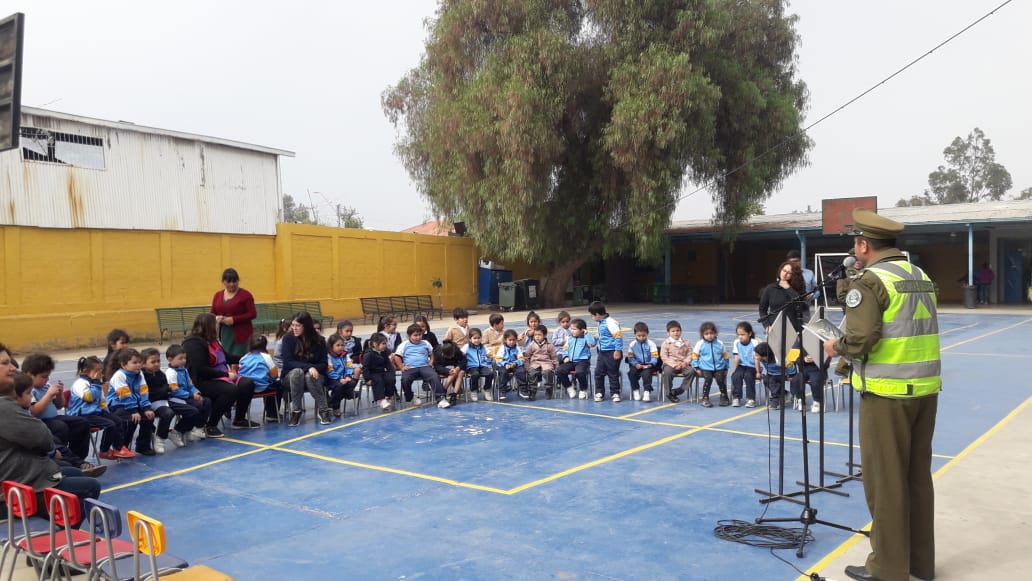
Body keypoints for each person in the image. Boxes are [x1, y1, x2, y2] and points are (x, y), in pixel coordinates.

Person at [823, 208, 941, 581]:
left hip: (887, 394)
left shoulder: (870, 282)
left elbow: (860, 339)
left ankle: (888, 568)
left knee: (886, 482)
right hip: (924, 389)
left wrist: (835, 349)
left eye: (856, 243)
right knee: (916, 479)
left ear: (863, 245)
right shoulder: (918, 275)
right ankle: (920, 564)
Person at [0, 350, 102, 510]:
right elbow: (43, 438)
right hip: (20, 485)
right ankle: (67, 531)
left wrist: (58, 394)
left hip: (27, 473)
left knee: (76, 433)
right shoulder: (5, 405)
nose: (13, 368)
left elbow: (59, 407)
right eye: (5, 363)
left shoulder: (9, 401)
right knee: (90, 486)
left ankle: (78, 462)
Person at [183, 313, 258, 437]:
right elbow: (201, 370)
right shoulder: (193, 344)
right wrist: (226, 374)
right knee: (230, 390)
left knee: (248, 383)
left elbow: (227, 357)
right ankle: (211, 425)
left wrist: (249, 357)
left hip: (221, 376)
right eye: (217, 325)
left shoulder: (213, 341)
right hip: (203, 381)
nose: (219, 328)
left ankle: (239, 419)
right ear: (209, 327)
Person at [23, 353, 93, 465]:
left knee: (82, 423)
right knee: (60, 427)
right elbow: (34, 411)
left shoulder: (46, 386)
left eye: (48, 376)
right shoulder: (28, 389)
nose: (47, 379)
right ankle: (66, 461)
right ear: (30, 375)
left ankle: (78, 457)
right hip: (41, 421)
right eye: (43, 377)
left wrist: (59, 394)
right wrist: (48, 395)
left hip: (55, 418)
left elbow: (59, 405)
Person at [68, 356, 134, 459]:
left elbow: (102, 400)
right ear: (86, 371)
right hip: (83, 415)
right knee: (110, 425)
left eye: (101, 371)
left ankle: (118, 447)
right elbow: (89, 397)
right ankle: (104, 450)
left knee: (117, 420)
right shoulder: (80, 383)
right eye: (97, 371)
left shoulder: (96, 384)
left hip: (95, 412)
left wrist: (107, 412)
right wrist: (95, 383)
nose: (100, 374)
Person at [141, 348, 198, 453]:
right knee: (168, 413)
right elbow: (151, 394)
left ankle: (176, 431)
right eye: (153, 362)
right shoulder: (142, 377)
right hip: (152, 403)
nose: (156, 364)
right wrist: (163, 391)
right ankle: (160, 438)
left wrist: (164, 391)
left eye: (158, 361)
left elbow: (167, 389)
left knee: (192, 410)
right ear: (143, 364)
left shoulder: (161, 374)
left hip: (166, 400)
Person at [282, 311, 333, 426]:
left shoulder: (319, 340)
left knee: (309, 376)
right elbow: (288, 362)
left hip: (314, 377)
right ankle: (296, 411)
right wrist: (309, 367)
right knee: (297, 372)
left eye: (298, 326)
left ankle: (323, 410)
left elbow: (324, 364)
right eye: (293, 325)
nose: (294, 328)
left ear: (306, 326)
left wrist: (312, 369)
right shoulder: (288, 339)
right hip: (291, 377)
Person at [104, 348, 156, 456]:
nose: (138, 365)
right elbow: (125, 395)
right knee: (131, 419)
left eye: (139, 362)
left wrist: (146, 408)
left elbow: (144, 391)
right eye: (134, 363)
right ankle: (121, 446)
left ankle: (142, 446)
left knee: (148, 417)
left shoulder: (140, 374)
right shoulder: (119, 376)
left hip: (133, 404)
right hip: (117, 405)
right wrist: (133, 410)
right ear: (124, 364)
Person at [209, 267, 257, 365]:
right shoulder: (218, 295)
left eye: (234, 281)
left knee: (240, 360)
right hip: (224, 334)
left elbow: (253, 313)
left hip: (242, 334)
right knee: (226, 358)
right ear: (223, 282)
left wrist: (234, 319)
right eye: (229, 281)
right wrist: (217, 318)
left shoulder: (245, 295)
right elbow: (212, 313)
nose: (232, 284)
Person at [164, 345, 211, 442]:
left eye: (184, 358)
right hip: (176, 399)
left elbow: (190, 385)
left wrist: (196, 392)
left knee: (206, 402)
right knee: (195, 408)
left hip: (187, 397)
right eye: (180, 358)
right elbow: (174, 391)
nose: (184, 360)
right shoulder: (170, 373)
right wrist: (190, 395)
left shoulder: (184, 370)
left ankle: (198, 427)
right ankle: (177, 431)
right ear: (170, 359)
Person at [392, 323, 447, 408]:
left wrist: (431, 362)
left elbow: (431, 354)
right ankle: (410, 397)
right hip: (411, 368)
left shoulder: (425, 343)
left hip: (424, 367)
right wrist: (402, 367)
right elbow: (397, 356)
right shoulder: (404, 345)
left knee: (434, 376)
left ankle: (440, 399)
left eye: (420, 335)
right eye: (415, 335)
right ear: (409, 336)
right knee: (405, 379)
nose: (418, 337)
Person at [236, 335, 282, 421]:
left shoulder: (243, 357)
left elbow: (240, 373)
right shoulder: (266, 357)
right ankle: (272, 413)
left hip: (246, 389)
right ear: (265, 345)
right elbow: (274, 375)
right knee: (278, 384)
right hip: (262, 387)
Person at [759, 260, 806, 335]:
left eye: (789, 273)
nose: (785, 274)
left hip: (794, 329)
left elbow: (802, 306)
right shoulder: (770, 288)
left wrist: (788, 288)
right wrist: (767, 326)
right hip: (774, 329)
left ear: (794, 275)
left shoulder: (797, 289)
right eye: (784, 270)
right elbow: (762, 310)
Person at [590, 301, 623, 402]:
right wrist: (595, 337)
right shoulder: (602, 323)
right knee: (598, 372)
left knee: (612, 373)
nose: (592, 317)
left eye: (592, 315)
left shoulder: (610, 322)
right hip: (602, 352)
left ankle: (615, 393)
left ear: (597, 315)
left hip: (611, 352)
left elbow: (617, 336)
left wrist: (617, 350)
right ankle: (599, 392)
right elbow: (605, 335)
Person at [692, 321, 730, 408]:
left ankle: (724, 396)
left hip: (719, 367)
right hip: (705, 367)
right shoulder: (700, 343)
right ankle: (705, 397)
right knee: (708, 379)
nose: (709, 335)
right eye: (706, 333)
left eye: (711, 333)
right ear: (702, 334)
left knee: (720, 379)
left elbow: (725, 355)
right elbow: (695, 355)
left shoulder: (720, 343)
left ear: (715, 333)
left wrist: (726, 367)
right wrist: (696, 367)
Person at [557, 318, 595, 400]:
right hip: (571, 361)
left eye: (574, 329)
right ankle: (569, 387)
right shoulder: (570, 339)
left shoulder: (586, 338)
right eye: (571, 329)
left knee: (580, 372)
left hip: (582, 361)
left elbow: (592, 344)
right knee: (560, 370)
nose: (572, 331)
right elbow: (565, 349)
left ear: (582, 330)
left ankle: (583, 389)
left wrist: (587, 333)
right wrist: (565, 357)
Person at [325, 333, 360, 417]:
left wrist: (348, 376)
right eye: (338, 345)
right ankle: (336, 406)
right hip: (332, 378)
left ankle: (332, 401)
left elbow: (349, 366)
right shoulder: (329, 356)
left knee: (351, 383)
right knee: (339, 386)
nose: (341, 347)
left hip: (344, 377)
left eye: (342, 345)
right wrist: (339, 378)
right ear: (331, 346)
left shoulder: (345, 354)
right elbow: (330, 370)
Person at [754, 342, 795, 411]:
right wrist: (758, 372)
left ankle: (776, 400)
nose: (755, 356)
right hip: (772, 373)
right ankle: (783, 393)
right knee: (766, 380)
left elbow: (789, 366)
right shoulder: (760, 358)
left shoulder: (778, 358)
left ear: (765, 356)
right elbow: (756, 361)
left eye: (757, 355)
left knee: (773, 381)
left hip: (784, 373)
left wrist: (790, 375)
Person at [625, 322, 659, 402]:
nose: (641, 338)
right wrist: (636, 364)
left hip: (648, 365)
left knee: (646, 374)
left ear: (647, 334)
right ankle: (636, 390)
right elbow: (630, 357)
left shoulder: (651, 344)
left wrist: (650, 364)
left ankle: (647, 391)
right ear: (635, 334)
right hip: (637, 364)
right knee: (631, 373)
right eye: (639, 336)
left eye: (643, 335)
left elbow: (655, 357)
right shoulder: (632, 344)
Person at [729, 322, 761, 408]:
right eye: (738, 334)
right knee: (736, 375)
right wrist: (734, 370)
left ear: (749, 334)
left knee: (748, 375)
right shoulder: (736, 342)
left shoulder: (754, 343)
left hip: (752, 366)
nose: (740, 336)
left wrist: (758, 372)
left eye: (743, 334)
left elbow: (756, 358)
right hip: (741, 365)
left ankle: (751, 399)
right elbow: (737, 357)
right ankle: (736, 397)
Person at [522, 324, 558, 400]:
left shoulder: (550, 345)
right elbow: (527, 356)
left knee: (548, 372)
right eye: (535, 335)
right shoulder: (531, 345)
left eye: (539, 335)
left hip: (547, 363)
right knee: (531, 372)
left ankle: (549, 390)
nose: (537, 336)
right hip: (535, 363)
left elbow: (554, 357)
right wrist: (527, 366)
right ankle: (532, 391)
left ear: (544, 335)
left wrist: (556, 367)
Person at [363, 333, 396, 412]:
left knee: (390, 379)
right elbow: (365, 368)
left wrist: (391, 371)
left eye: (386, 343)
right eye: (383, 343)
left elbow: (388, 363)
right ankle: (382, 400)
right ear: (375, 344)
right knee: (378, 380)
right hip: (373, 373)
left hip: (382, 372)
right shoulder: (368, 354)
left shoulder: (384, 352)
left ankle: (389, 395)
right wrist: (367, 379)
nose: (385, 345)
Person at [661, 320, 692, 403]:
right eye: (673, 331)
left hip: (683, 364)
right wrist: (674, 365)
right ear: (668, 333)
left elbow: (690, 354)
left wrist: (685, 363)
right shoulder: (666, 343)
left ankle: (679, 390)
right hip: (670, 364)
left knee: (691, 371)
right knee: (667, 372)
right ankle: (669, 393)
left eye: (677, 330)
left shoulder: (686, 342)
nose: (675, 333)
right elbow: (664, 357)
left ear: (681, 331)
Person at [493, 329, 527, 401]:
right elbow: (498, 359)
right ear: (505, 340)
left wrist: (516, 363)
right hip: (503, 365)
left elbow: (521, 358)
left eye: (514, 340)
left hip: (514, 364)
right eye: (510, 340)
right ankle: (502, 391)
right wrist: (505, 364)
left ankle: (523, 390)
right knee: (503, 372)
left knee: (521, 371)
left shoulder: (517, 348)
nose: (512, 342)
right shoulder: (502, 348)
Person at [462, 328, 494, 401]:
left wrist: (489, 360)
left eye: (479, 338)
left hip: (483, 365)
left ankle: (486, 389)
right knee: (475, 374)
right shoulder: (467, 347)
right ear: (470, 339)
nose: (477, 340)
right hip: (472, 366)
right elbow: (460, 354)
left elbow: (490, 355)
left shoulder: (483, 347)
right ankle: (473, 391)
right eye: (475, 338)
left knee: (490, 374)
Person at [433, 339, 466, 407]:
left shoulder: (456, 350)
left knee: (461, 372)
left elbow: (464, 360)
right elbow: (436, 366)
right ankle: (444, 390)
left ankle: (453, 395)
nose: (450, 357)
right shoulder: (438, 352)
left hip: (456, 368)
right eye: (448, 357)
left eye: (452, 356)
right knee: (453, 372)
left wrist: (458, 367)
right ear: (443, 354)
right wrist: (447, 370)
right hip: (444, 369)